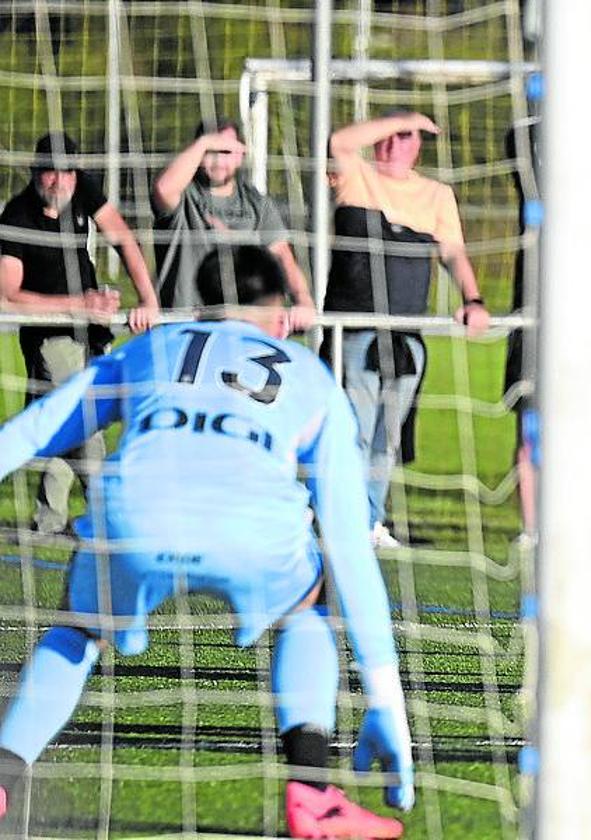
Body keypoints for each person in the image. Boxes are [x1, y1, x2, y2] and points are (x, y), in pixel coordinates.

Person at [0, 245, 412, 839]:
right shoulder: (312, 376)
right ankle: (313, 794)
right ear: (277, 314)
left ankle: (3, 777)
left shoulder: (150, 347)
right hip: (252, 533)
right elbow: (348, 540)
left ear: (199, 305)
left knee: (79, 626)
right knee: (307, 603)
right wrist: (386, 696)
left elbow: (38, 429)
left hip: (135, 518)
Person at [326, 111, 490, 548]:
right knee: (352, 431)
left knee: (388, 438)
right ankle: (339, 518)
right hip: (356, 329)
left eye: (407, 137)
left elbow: (453, 252)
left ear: (419, 145)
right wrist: (403, 117)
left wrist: (473, 300)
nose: (395, 144)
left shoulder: (435, 195)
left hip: (406, 338)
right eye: (390, 135)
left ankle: (368, 522)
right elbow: (340, 140)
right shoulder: (356, 177)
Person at [0, 132, 158, 535]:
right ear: (36, 174)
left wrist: (148, 299)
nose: (59, 182)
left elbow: (121, 236)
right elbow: (8, 296)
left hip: (92, 329)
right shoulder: (17, 217)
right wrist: (78, 304)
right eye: (49, 173)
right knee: (81, 420)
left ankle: (48, 520)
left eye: (66, 172)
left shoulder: (83, 189)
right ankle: (109, 513)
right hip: (51, 335)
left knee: (59, 423)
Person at [503, 115, 591, 541]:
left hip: (589, 332)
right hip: (540, 323)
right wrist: (575, 106)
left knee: (584, 428)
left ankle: (580, 525)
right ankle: (533, 530)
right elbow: (519, 135)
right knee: (533, 424)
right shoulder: (546, 178)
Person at [152, 117, 315, 329]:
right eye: (211, 151)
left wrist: (303, 300)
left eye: (226, 151)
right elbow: (163, 189)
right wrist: (203, 143)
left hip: (241, 329)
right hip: (186, 327)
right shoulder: (184, 195)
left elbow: (283, 256)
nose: (218, 161)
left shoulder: (257, 204)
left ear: (240, 155)